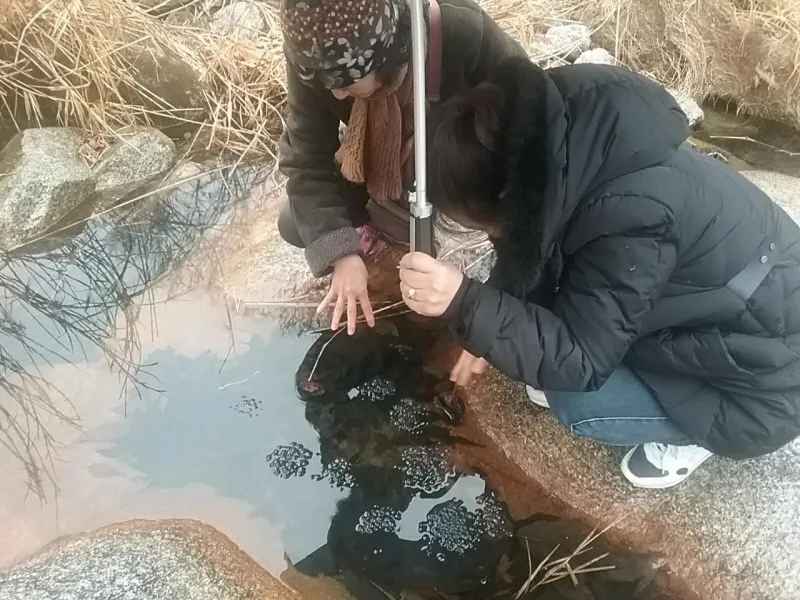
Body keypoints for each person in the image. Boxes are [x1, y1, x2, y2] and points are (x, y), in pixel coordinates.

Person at [397, 56, 800, 489]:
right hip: (718, 306)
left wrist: (467, 303)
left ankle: (695, 436)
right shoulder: (557, 141)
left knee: (576, 402)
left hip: (766, 382)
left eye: (471, 218)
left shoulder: (633, 217)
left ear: (499, 199)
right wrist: (491, 314)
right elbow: (533, 244)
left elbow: (580, 362)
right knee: (542, 364)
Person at [277, 0, 525, 334]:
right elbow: (306, 161)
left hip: (463, 166)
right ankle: (384, 237)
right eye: (325, 83)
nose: (336, 95)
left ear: (385, 56)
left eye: (346, 82)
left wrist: (504, 292)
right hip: (390, 173)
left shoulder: (464, 35)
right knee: (295, 223)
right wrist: (342, 254)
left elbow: (529, 143)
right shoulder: (315, 54)